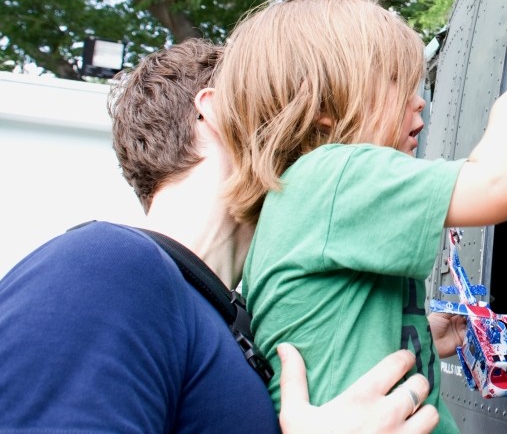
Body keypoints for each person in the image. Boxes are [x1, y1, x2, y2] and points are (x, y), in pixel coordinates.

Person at [0, 38, 439, 434]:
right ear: (215, 111)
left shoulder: (223, 317)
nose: (318, 125)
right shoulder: (105, 267)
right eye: (288, 106)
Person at [211, 0, 507, 432]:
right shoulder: (337, 175)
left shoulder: (303, 196)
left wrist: (422, 337)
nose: (418, 102)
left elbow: (334, 341)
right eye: (398, 82)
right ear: (323, 108)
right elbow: (499, 185)